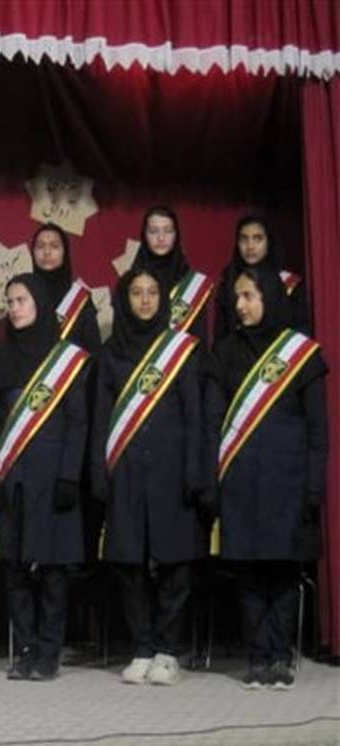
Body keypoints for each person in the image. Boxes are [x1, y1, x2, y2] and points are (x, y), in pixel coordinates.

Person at [205, 265, 327, 689]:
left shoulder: (300, 353)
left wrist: (314, 486)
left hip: (288, 483)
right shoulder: (224, 352)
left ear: (270, 298)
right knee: (249, 574)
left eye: (249, 296)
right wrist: (212, 480)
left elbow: (317, 430)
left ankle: (280, 656)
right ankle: (258, 657)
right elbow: (213, 421)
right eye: (237, 297)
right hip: (239, 482)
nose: (240, 305)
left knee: (282, 572)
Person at [91, 268, 205, 685]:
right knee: (129, 565)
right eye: (137, 292)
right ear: (125, 299)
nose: (144, 300)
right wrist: (99, 473)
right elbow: (101, 420)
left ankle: (168, 651)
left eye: (152, 292)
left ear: (163, 299)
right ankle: (141, 648)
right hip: (125, 474)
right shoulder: (111, 353)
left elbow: (194, 416)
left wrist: (195, 471)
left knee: (175, 565)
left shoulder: (182, 350)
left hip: (172, 473)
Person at [0, 274, 89, 681]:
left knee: (53, 572)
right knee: (16, 570)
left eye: (21, 300)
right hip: (13, 478)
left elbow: (77, 422)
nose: (14, 308)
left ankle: (49, 652)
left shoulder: (66, 360)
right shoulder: (1, 360)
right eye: (9, 302)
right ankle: (24, 649)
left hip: (54, 479)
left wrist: (69, 476)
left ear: (39, 303)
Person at [214, 213, 311, 342]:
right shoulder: (229, 282)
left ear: (269, 242)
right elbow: (220, 335)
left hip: (277, 353)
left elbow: (300, 337)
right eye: (244, 239)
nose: (250, 246)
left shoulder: (289, 285)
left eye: (257, 239)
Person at [129, 206, 210, 340]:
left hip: (183, 353)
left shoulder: (190, 285)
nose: (161, 238)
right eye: (153, 231)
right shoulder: (130, 281)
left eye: (168, 231)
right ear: (144, 236)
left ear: (176, 235)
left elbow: (198, 338)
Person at [29, 223, 101, 352]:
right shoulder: (23, 295)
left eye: (54, 246)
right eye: (40, 246)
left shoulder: (79, 299)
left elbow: (93, 351)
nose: (47, 252)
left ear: (65, 253)